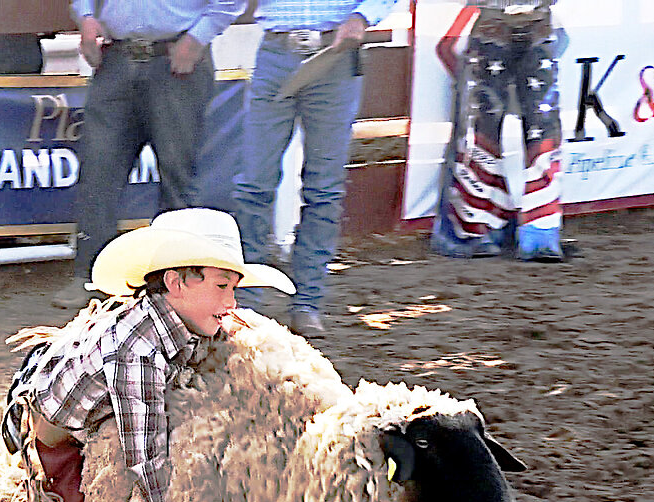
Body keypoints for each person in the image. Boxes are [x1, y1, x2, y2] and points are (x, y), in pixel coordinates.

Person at [6, 208, 293, 502]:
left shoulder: (189, 316)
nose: (231, 302)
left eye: (233, 288)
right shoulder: (137, 352)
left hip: (109, 397)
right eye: (222, 286)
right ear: (176, 283)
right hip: (59, 436)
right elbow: (146, 461)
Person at [53, 0, 248, 309]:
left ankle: (174, 284)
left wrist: (198, 36)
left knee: (177, 178)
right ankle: (91, 277)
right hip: (115, 58)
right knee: (97, 171)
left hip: (176, 56)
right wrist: (86, 16)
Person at [231, 0, 398, 339]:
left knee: (323, 188)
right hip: (279, 49)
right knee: (254, 184)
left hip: (333, 52)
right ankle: (246, 303)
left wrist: (361, 16)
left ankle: (307, 303)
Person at [430, 0, 564, 262]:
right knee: (484, 127)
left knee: (540, 128)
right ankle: (481, 226)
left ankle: (535, 229)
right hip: (505, 21)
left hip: (528, 23)